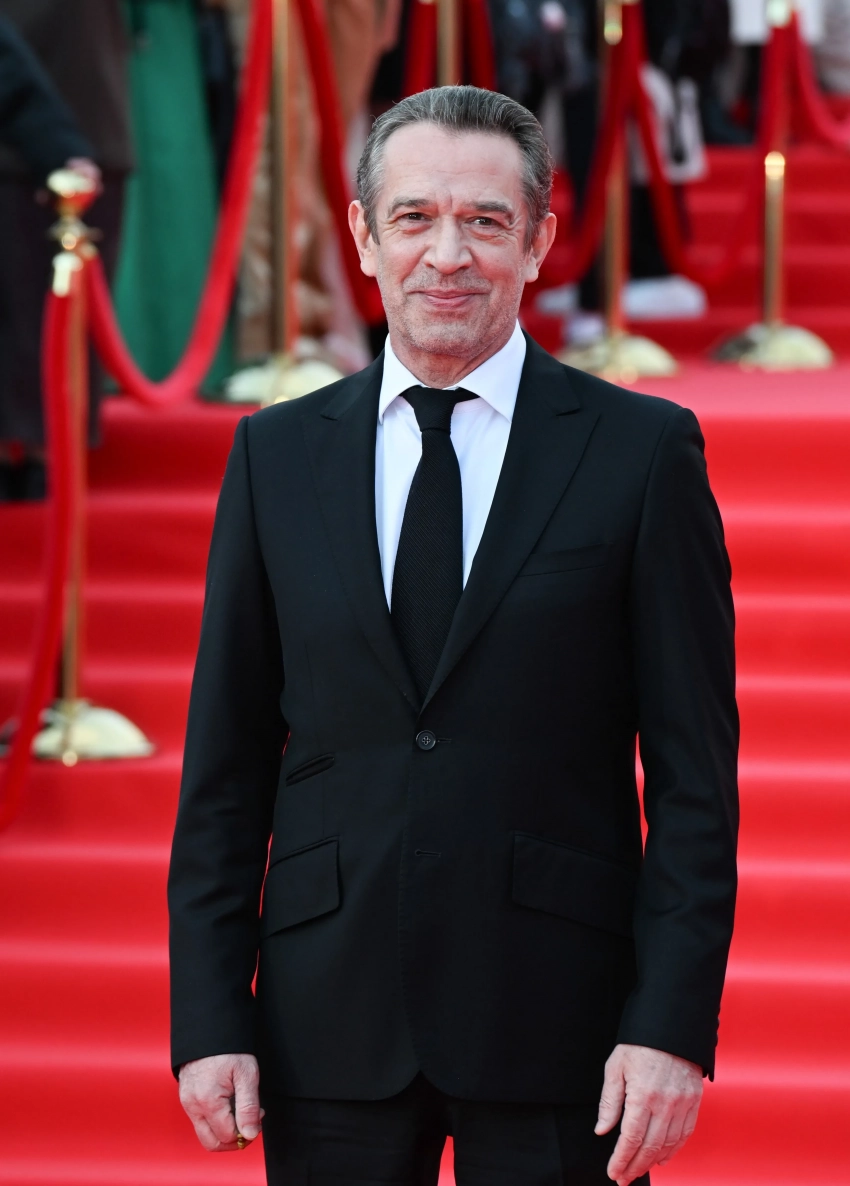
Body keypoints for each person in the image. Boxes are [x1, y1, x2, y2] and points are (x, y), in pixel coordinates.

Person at [168, 86, 739, 1186]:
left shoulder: (642, 452)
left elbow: (694, 782)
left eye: (484, 221)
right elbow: (224, 771)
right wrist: (208, 1015)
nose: (448, 255)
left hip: (561, 1017)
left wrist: (669, 1025)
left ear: (539, 242)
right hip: (325, 1016)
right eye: (415, 218)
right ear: (363, 236)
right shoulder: (274, 456)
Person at [0, 0, 130, 498]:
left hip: (79, 102)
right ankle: (37, 446)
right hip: (58, 121)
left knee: (49, 307)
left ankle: (45, 446)